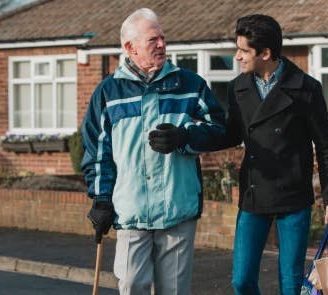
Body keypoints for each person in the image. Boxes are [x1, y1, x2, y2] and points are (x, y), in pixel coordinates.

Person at [80, 8, 226, 295]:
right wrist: (101, 199)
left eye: (162, 37)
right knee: (132, 285)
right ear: (130, 47)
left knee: (172, 291)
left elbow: (222, 128)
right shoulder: (108, 93)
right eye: (152, 40)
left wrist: (185, 137)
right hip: (131, 210)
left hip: (177, 209)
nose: (161, 44)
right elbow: (98, 152)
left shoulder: (190, 84)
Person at [219, 15, 328, 295]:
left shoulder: (306, 89)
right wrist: (189, 137)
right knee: (241, 280)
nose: (237, 56)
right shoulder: (238, 88)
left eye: (244, 50)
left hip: (293, 197)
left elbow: (325, 147)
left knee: (290, 283)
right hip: (254, 194)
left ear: (265, 53)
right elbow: (230, 135)